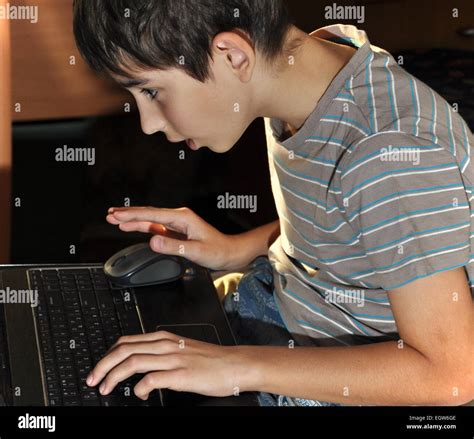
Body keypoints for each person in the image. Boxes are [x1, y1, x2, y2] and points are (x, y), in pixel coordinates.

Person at [73, 0, 474, 406]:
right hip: (276, 312)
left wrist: (237, 367)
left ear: (232, 55)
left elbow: (452, 374)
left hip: (346, 374)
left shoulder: (386, 154)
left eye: (151, 90)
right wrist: (235, 250)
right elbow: (353, 230)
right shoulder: (312, 70)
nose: (148, 122)